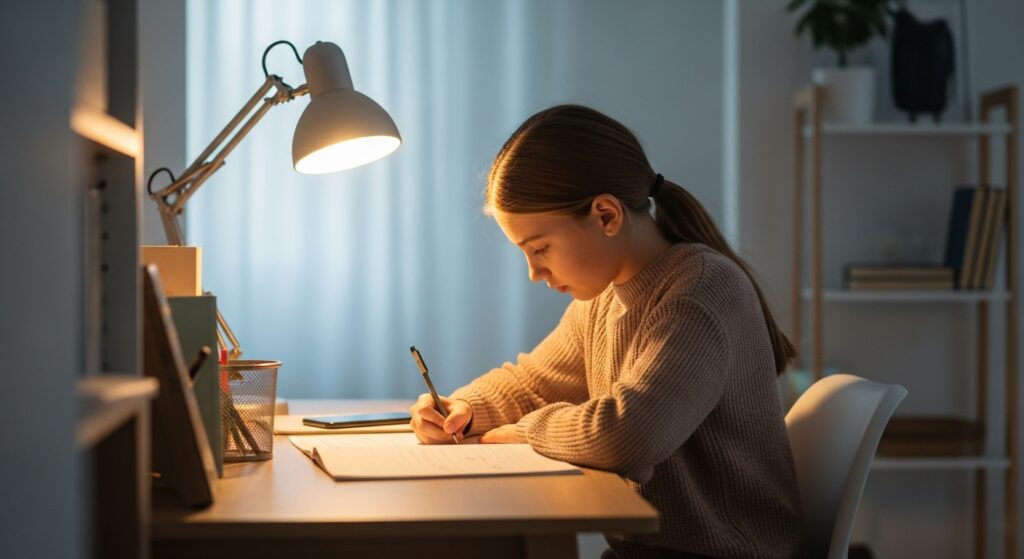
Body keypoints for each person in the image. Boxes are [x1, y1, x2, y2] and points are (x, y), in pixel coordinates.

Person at [409, 104, 804, 558]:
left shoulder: (700, 291)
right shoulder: (604, 299)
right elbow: (532, 383)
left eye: (539, 248)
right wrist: (464, 408)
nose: (534, 272)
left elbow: (628, 436)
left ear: (606, 216)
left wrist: (525, 432)